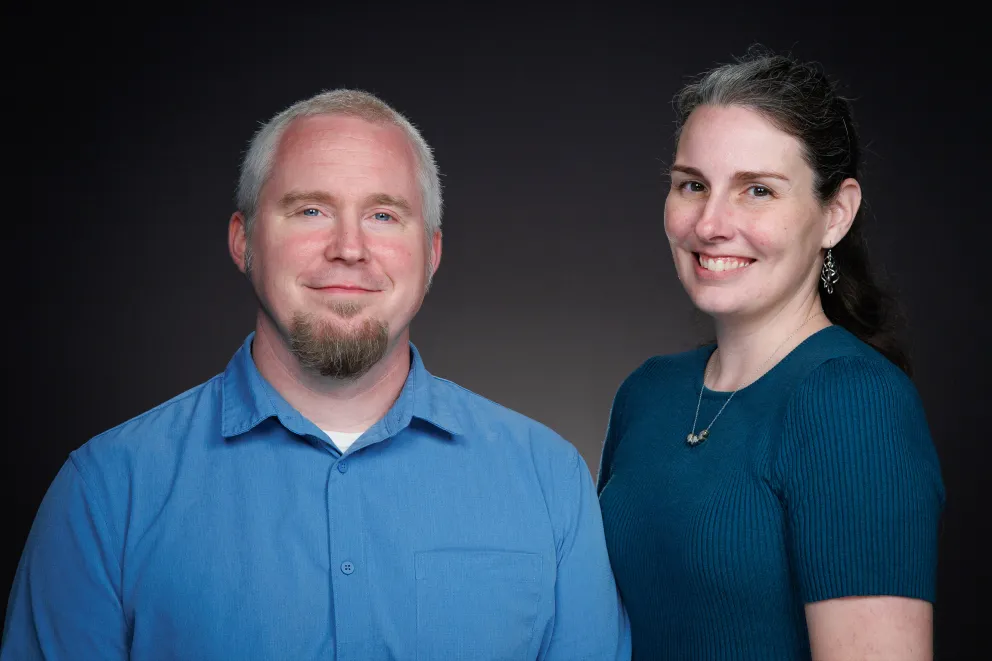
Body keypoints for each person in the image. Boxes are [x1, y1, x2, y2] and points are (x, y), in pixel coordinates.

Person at [2, 89, 630, 660]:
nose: (349, 248)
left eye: (384, 215)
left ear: (432, 252)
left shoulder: (549, 483)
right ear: (243, 240)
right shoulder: (107, 494)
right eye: (309, 211)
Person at [597, 47, 944, 660]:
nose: (710, 223)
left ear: (835, 214)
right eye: (692, 185)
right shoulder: (648, 393)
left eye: (757, 190)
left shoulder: (853, 402)